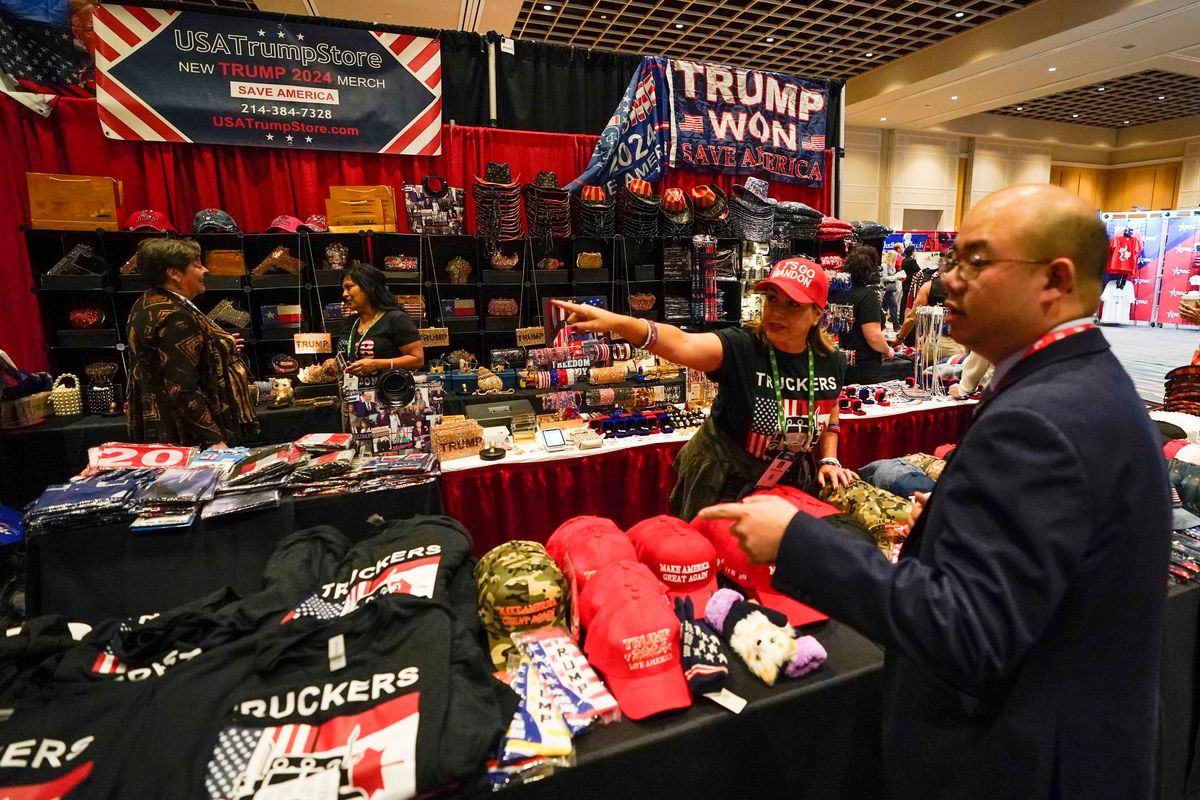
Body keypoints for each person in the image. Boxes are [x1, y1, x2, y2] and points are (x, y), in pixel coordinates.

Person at [699, 184, 1170, 799]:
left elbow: (970, 634)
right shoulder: (1078, 383)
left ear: (1054, 281)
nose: (948, 281)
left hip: (1024, 761)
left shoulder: (1042, 418)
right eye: (953, 260)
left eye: (975, 261)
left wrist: (798, 543)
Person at [554, 257, 857, 521]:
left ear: (817, 314)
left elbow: (829, 408)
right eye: (772, 299)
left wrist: (829, 457)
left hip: (787, 483)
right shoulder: (741, 347)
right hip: (722, 483)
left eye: (793, 305)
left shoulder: (830, 362)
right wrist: (618, 322)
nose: (777, 312)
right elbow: (681, 342)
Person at [126, 238, 257, 447]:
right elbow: (182, 386)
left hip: (160, 425)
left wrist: (217, 345)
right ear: (174, 274)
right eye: (197, 266)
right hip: (183, 435)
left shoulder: (147, 303)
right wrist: (213, 439)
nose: (205, 270)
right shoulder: (176, 316)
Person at [338, 264, 424, 436]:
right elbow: (347, 355)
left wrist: (377, 364)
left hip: (389, 402)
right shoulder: (351, 322)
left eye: (349, 287)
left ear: (368, 286)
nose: (344, 294)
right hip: (353, 403)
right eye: (343, 289)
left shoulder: (395, 318)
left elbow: (417, 359)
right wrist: (332, 364)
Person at [827, 246, 911, 384]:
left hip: (842, 361)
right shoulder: (867, 296)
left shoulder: (836, 293)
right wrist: (888, 350)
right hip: (864, 365)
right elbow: (873, 336)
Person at [898, 244, 920, 311]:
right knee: (909, 299)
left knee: (904, 299)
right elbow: (918, 270)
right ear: (913, 251)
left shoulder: (904, 260)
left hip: (905, 281)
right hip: (911, 282)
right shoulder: (912, 261)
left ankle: (901, 317)